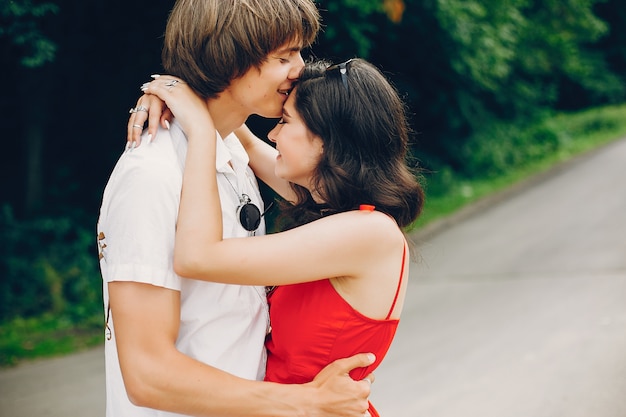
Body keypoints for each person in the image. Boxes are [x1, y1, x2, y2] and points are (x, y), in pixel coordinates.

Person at [98, 1, 374, 416]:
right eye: (284, 57)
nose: (300, 69)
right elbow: (147, 372)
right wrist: (307, 402)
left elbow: (341, 200)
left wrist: (180, 97)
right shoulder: (151, 175)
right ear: (230, 62)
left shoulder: (229, 150)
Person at [138, 57, 425, 417]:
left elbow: (197, 257)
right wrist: (170, 92)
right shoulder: (343, 215)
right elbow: (246, 139)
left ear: (326, 141)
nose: (272, 134)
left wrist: (197, 127)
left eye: (284, 122)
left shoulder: (369, 234)